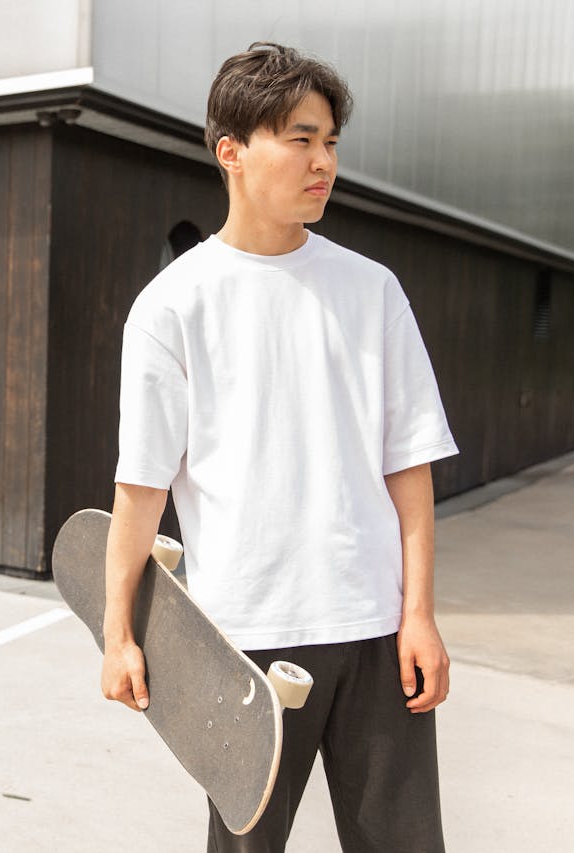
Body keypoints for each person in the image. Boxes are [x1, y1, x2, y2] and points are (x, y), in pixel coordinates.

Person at [101, 42, 457, 853]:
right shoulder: (172, 307)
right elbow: (142, 483)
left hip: (373, 628)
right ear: (232, 151)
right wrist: (119, 631)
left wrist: (421, 615)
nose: (322, 161)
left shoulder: (372, 291)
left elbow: (409, 466)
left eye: (330, 142)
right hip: (244, 639)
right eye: (300, 140)